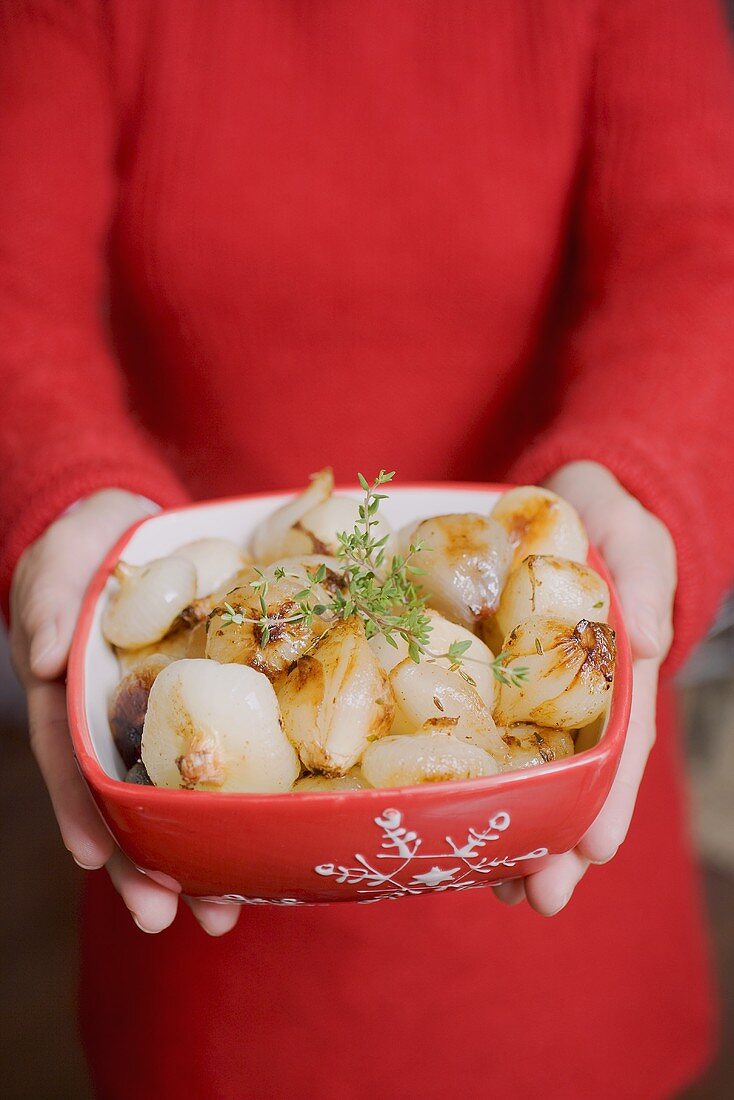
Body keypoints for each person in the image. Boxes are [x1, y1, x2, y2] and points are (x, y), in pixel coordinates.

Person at [3, 1, 733, 1096]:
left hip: (565, 923)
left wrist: (629, 479)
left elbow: (698, 254)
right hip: (206, 945)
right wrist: (70, 488)